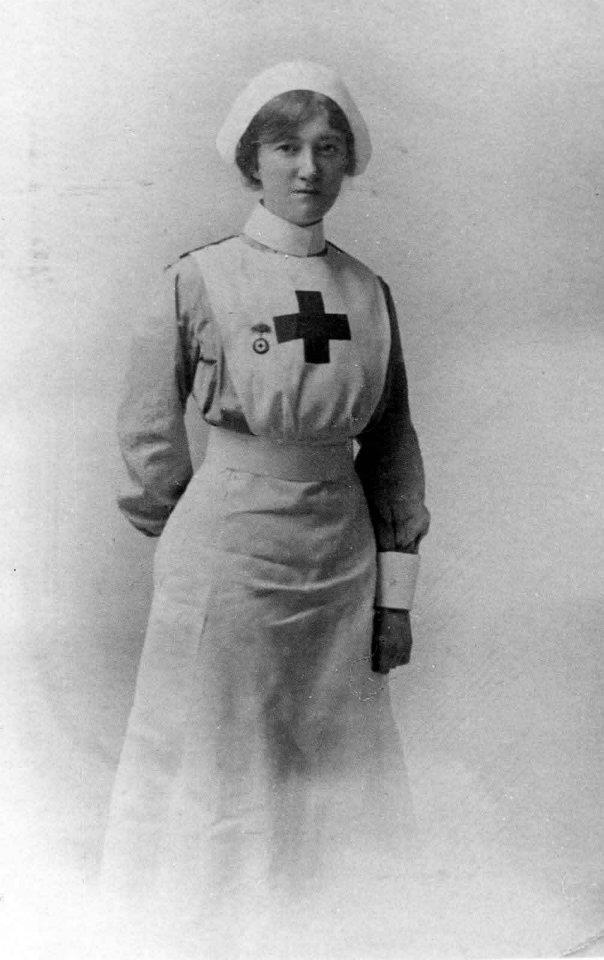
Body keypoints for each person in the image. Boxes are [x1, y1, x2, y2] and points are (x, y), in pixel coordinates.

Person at [101, 60, 430, 957]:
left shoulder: (369, 292)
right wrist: (193, 538)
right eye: (285, 147)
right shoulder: (199, 279)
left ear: (347, 162)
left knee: (333, 763)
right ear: (252, 161)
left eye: (328, 149)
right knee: (222, 756)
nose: (308, 168)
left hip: (343, 560)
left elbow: (393, 445)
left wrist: (394, 597)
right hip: (229, 550)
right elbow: (146, 430)